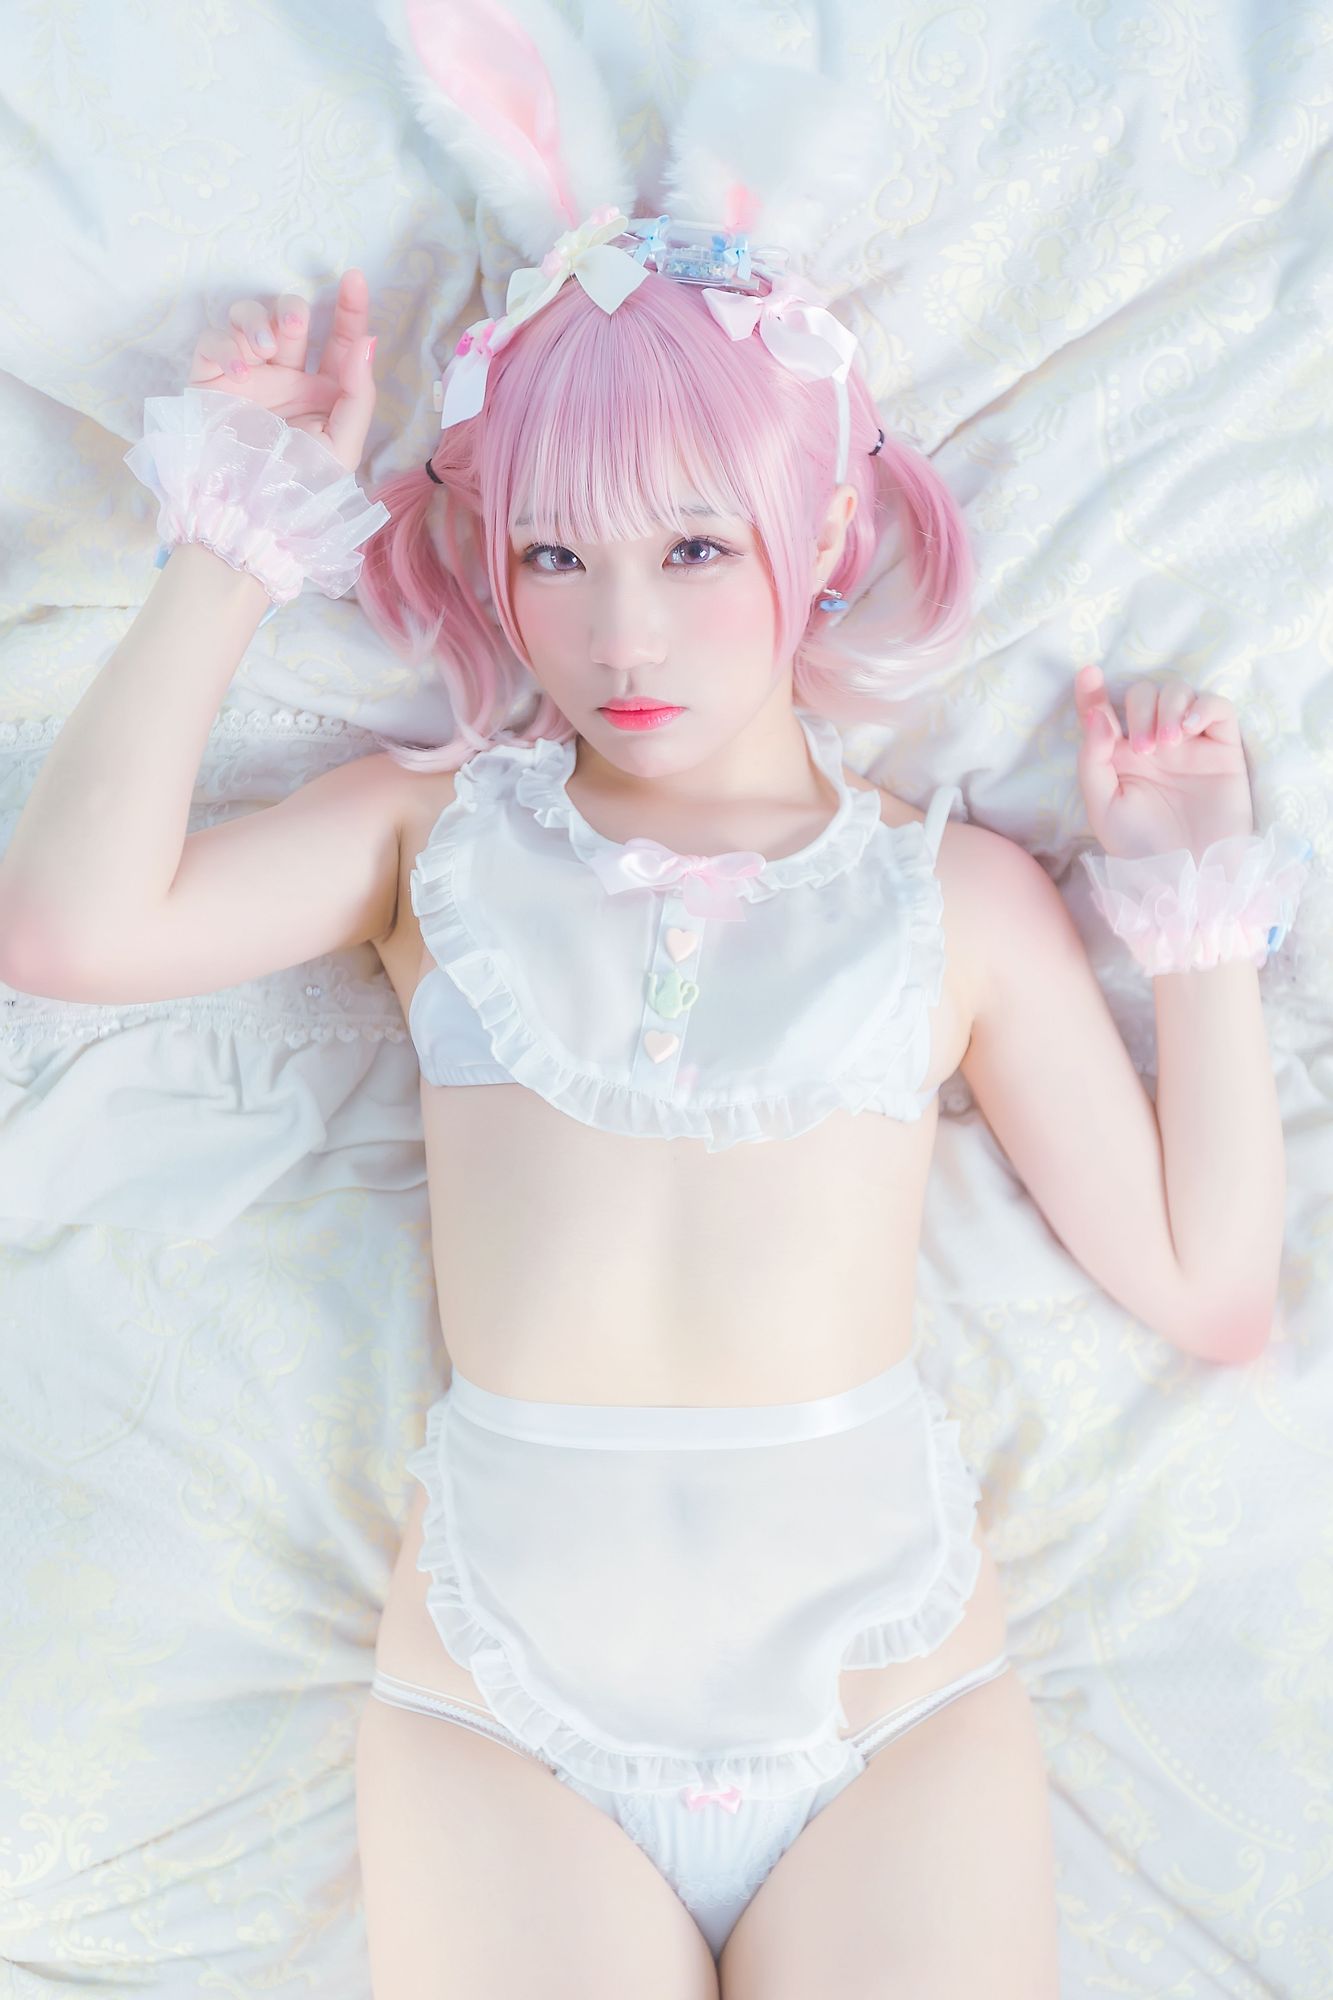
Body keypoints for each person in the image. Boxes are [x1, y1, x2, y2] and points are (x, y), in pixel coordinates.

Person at [0, 12, 1309, 1996]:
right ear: (493, 563)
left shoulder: (950, 900)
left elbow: (1211, 1289)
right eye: (555, 554)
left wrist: (1192, 926)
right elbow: (68, 928)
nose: (620, 630)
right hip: (503, 1724)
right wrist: (231, 542)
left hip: (890, 1716)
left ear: (823, 534)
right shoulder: (432, 839)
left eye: (695, 547)